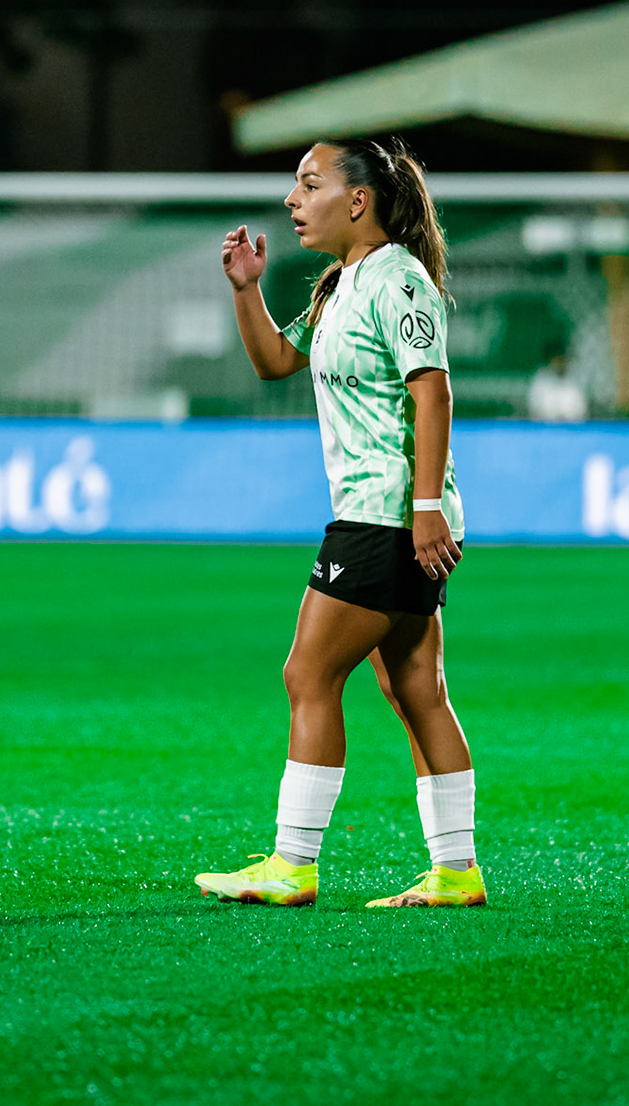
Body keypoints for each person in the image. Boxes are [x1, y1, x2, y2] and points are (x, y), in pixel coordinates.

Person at [194, 138, 485, 910]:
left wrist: (424, 511)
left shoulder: (398, 281)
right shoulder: (341, 285)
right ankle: (456, 871)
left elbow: (434, 393)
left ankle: (293, 864)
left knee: (309, 674)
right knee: (416, 686)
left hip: (384, 516)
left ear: (358, 200)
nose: (293, 200)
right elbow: (272, 363)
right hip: (389, 515)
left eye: (309, 184)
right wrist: (245, 290)